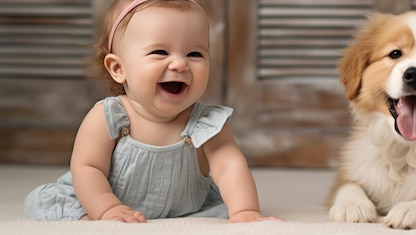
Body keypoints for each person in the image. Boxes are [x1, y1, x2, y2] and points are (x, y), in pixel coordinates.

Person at [24, 0, 281, 223]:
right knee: (47, 201)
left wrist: (245, 211)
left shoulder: (207, 123)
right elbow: (87, 168)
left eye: (194, 53)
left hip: (185, 207)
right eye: (160, 52)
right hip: (102, 197)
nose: (180, 63)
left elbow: (230, 167)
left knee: (221, 210)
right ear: (118, 68)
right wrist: (107, 208)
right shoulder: (109, 116)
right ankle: (92, 216)